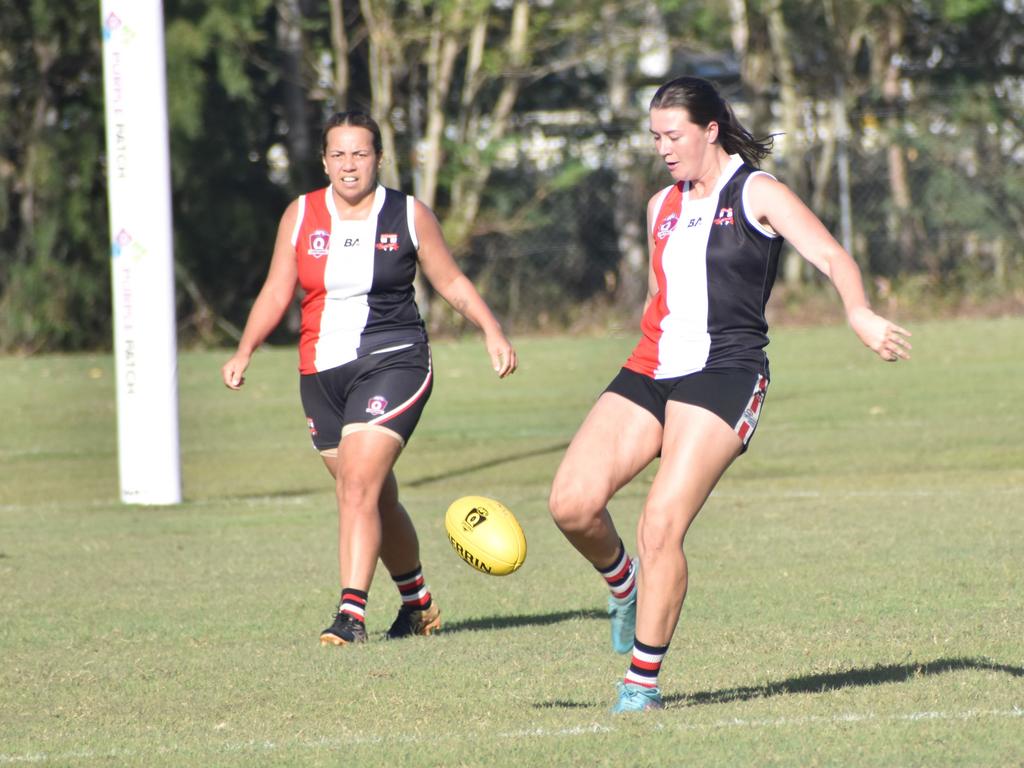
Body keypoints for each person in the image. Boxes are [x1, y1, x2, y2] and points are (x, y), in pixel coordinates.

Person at [548, 76, 911, 712]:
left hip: (726, 371)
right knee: (571, 504)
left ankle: (640, 686)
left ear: (710, 129)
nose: (662, 147)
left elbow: (830, 254)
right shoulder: (661, 203)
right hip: (651, 365)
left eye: (674, 135)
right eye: (655, 136)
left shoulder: (756, 191)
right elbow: (663, 293)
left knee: (660, 525)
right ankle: (626, 586)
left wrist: (858, 311)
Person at [222, 110, 517, 646]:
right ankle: (419, 605)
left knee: (357, 486)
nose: (349, 164)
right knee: (373, 497)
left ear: (378, 158)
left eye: (360, 153)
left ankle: (350, 615)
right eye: (338, 154)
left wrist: (491, 330)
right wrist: (246, 349)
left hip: (394, 359)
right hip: (320, 372)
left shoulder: (407, 214)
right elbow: (275, 290)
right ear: (325, 161)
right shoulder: (301, 214)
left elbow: (449, 280)